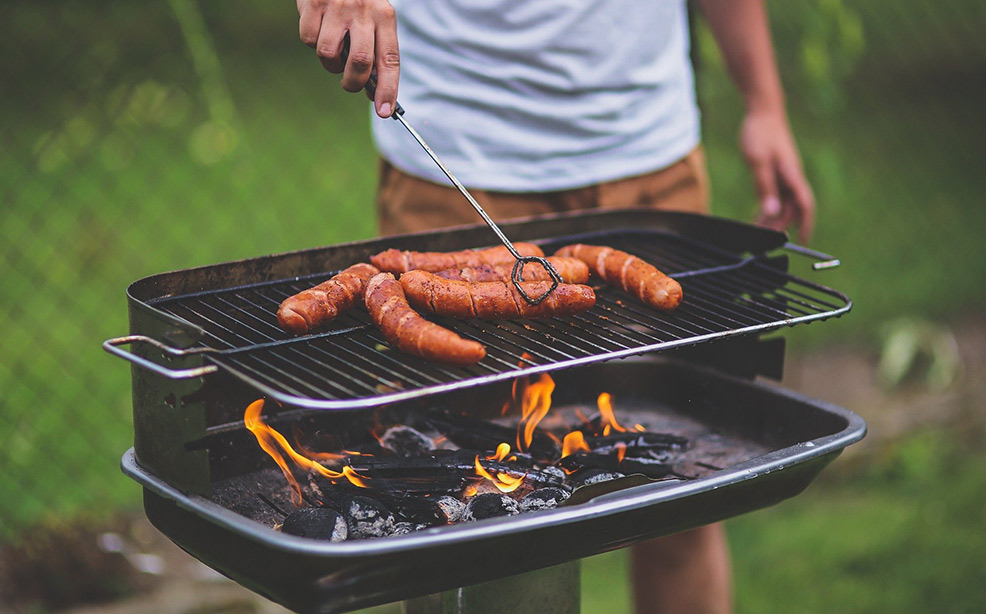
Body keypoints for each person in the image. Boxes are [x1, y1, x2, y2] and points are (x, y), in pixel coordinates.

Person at [295, 1, 814, 612]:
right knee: (459, 507)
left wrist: (764, 103)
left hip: (649, 151)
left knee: (682, 495)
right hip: (454, 153)